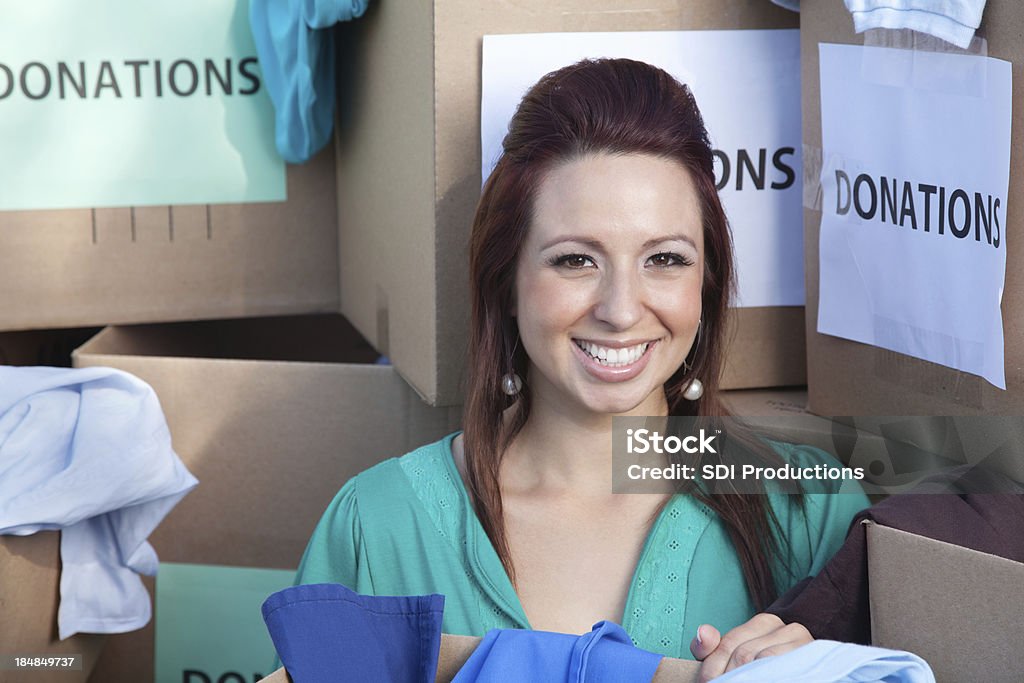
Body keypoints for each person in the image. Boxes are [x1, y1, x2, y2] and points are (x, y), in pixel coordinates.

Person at [294, 58, 869, 680]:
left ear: (707, 282)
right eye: (574, 261)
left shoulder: (810, 508)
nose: (621, 310)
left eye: (666, 259)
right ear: (506, 281)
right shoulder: (376, 526)